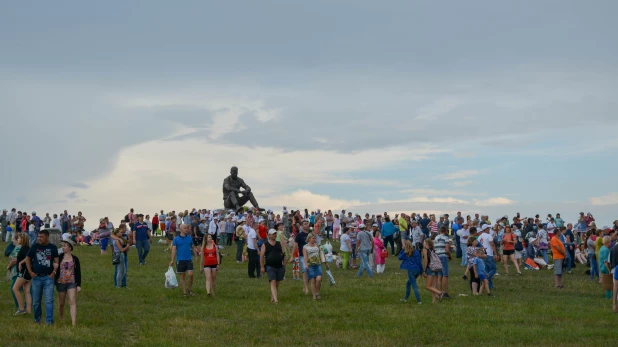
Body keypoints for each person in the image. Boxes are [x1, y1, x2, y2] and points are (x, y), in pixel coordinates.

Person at [25, 230, 59, 324]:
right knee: (36, 301)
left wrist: (53, 272)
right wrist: (30, 272)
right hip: (36, 277)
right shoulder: (35, 246)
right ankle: (37, 319)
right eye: (38, 236)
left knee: (49, 300)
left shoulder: (52, 247)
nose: (39, 238)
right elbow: (28, 258)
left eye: (41, 237)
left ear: (47, 237)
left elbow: (56, 261)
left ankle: (49, 321)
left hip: (48, 277)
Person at [55, 240, 81, 325]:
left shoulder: (75, 259)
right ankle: (61, 317)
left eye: (65, 246)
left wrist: (78, 285)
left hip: (72, 282)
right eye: (62, 246)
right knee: (61, 303)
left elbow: (78, 272)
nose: (63, 247)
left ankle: (74, 322)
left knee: (72, 301)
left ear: (70, 248)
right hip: (61, 282)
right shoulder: (59, 257)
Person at [170, 224, 198, 296]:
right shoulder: (176, 239)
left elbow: (193, 247)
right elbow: (174, 250)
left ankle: (189, 289)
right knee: (182, 276)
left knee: (190, 274)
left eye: (187, 228)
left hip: (189, 259)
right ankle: (184, 292)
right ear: (181, 229)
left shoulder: (189, 238)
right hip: (180, 260)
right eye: (185, 228)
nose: (186, 229)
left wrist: (196, 256)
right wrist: (172, 260)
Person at [261, 229, 286, 303]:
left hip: (279, 266)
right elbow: (262, 256)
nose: (274, 235)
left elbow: (284, 254)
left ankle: (273, 297)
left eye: (275, 234)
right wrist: (262, 267)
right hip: (270, 266)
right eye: (273, 234)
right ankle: (276, 300)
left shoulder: (279, 243)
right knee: (273, 281)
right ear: (269, 235)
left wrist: (284, 264)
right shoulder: (265, 244)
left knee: (277, 283)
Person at [12, 233, 31, 315]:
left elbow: (28, 258)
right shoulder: (25, 248)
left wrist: (20, 263)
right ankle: (29, 310)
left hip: (24, 272)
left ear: (23, 239)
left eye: (19, 238)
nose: (18, 239)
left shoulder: (24, 248)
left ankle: (21, 308)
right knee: (26, 291)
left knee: (15, 288)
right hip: (27, 272)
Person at [399, 240, 422, 304]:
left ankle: (419, 301)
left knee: (414, 286)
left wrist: (402, 250)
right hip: (417, 270)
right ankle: (405, 298)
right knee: (408, 283)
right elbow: (419, 262)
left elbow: (399, 257)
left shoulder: (405, 253)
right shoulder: (416, 252)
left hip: (411, 271)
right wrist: (421, 271)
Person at [290, 220, 311, 294]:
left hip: (311, 255)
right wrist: (292, 256)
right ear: (302, 226)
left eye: (308, 223)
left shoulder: (311, 234)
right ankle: (306, 288)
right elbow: (295, 245)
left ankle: (305, 285)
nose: (307, 225)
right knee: (305, 270)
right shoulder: (299, 235)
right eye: (305, 224)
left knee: (310, 272)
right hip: (302, 255)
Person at [303, 233, 323, 300]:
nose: (314, 239)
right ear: (309, 239)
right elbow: (305, 257)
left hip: (318, 264)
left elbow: (321, 254)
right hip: (310, 265)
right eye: (313, 238)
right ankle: (314, 295)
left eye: (315, 238)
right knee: (312, 281)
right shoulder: (305, 247)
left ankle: (317, 292)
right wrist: (306, 264)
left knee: (319, 279)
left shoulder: (317, 245)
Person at [478, 224, 498, 290]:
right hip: (489, 254)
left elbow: (479, 247)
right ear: (486, 229)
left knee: (487, 270)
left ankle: (490, 286)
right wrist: (495, 254)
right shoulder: (489, 236)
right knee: (493, 269)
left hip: (483, 255)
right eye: (488, 228)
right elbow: (492, 244)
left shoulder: (479, 237)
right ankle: (485, 280)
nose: (489, 230)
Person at [434, 226, 451, 298]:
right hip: (443, 256)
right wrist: (450, 256)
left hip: (437, 256)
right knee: (445, 275)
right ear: (446, 231)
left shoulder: (436, 238)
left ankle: (439, 292)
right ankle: (445, 292)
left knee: (439, 275)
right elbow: (447, 250)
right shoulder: (446, 238)